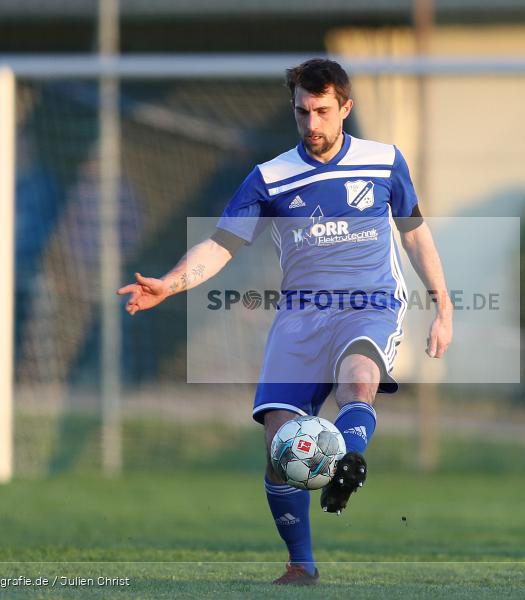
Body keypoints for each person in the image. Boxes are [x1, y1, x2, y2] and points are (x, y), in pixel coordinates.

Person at [117, 58, 453, 585]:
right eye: (302, 112)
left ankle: (347, 465)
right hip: (300, 317)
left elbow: (414, 233)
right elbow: (221, 245)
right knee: (279, 446)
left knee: (358, 379)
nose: (311, 124)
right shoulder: (269, 178)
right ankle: (301, 566)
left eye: (322, 111)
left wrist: (442, 304)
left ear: (346, 107)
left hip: (369, 304)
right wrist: (170, 282)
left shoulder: (384, 161)